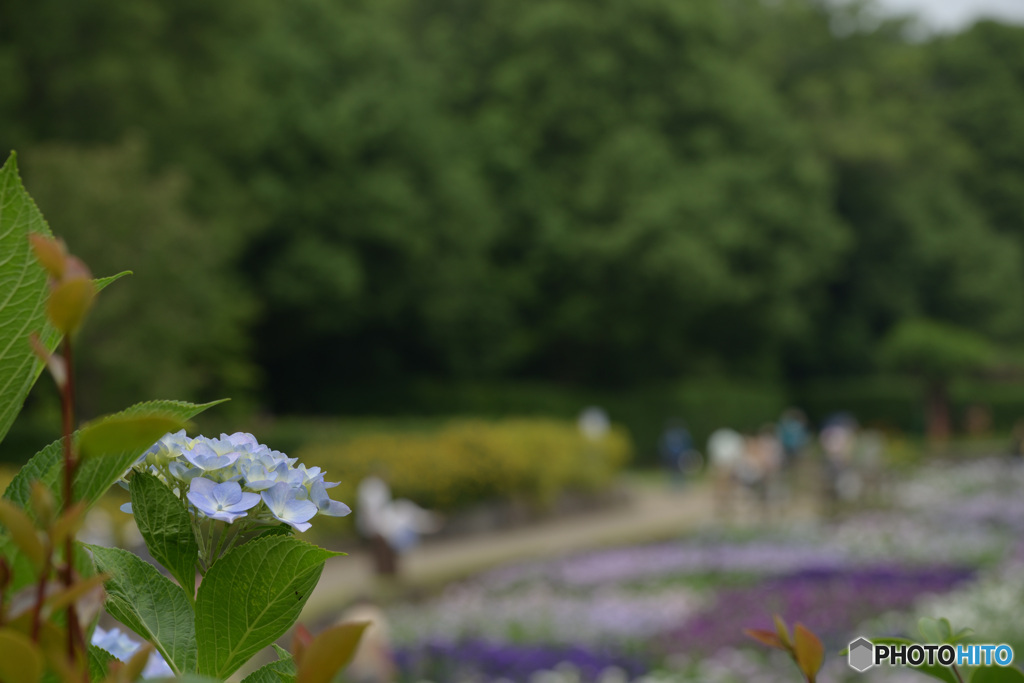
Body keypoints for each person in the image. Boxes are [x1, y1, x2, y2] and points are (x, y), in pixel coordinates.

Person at [356, 476, 442, 576]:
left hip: (384, 526)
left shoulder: (379, 492)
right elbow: (370, 511)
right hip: (380, 527)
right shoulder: (372, 488)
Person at [659, 418, 695, 488]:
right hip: (674, 456)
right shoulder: (678, 434)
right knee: (676, 471)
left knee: (678, 471)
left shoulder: (671, 435)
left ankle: (679, 485)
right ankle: (677, 485)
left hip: (677, 456)